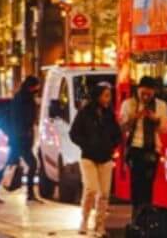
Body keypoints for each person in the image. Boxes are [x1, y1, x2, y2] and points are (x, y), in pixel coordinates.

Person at [69, 83, 120, 237]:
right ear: (97, 96)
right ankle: (84, 220)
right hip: (88, 157)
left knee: (104, 194)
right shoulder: (84, 113)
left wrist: (111, 145)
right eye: (106, 95)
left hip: (105, 157)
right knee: (91, 189)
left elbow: (117, 134)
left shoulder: (109, 115)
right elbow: (73, 133)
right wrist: (86, 144)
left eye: (109, 95)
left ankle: (100, 226)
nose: (108, 99)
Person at [0, 76, 42, 204]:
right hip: (20, 139)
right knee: (31, 164)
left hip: (19, 138)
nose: (37, 89)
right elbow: (19, 120)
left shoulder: (22, 98)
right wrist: (21, 136)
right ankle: (30, 194)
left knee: (10, 164)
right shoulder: (23, 100)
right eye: (36, 86)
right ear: (31, 86)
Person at [118, 76, 167, 211]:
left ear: (154, 92)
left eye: (149, 94)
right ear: (138, 90)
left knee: (148, 184)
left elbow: (165, 129)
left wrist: (156, 120)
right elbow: (122, 127)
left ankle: (145, 213)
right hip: (135, 148)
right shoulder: (128, 104)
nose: (146, 97)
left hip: (152, 148)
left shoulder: (161, 105)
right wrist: (134, 117)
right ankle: (137, 212)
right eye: (143, 93)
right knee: (136, 184)